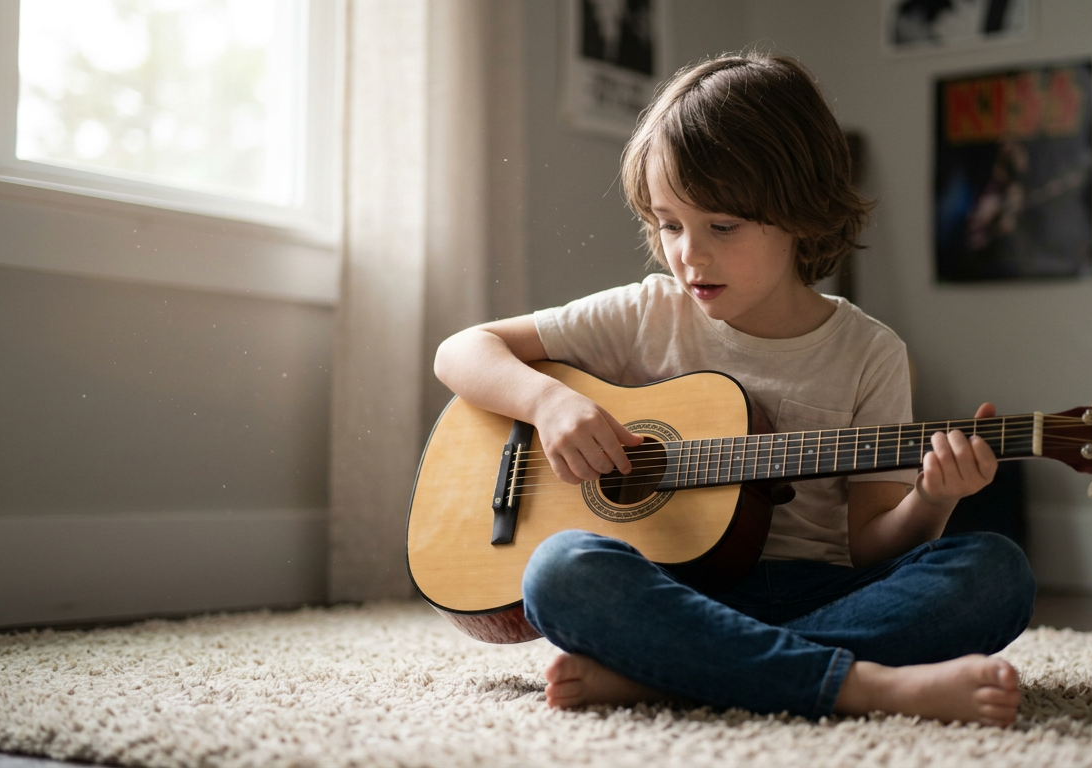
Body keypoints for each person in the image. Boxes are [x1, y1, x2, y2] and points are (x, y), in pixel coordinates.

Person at [433, 51, 1035, 727]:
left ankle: (671, 672)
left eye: (722, 226)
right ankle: (865, 686)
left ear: (800, 210)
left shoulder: (871, 353)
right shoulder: (647, 314)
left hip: (821, 593)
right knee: (558, 570)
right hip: (672, 587)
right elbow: (462, 351)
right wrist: (549, 402)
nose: (689, 254)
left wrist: (934, 497)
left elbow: (872, 545)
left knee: (994, 572)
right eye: (670, 224)